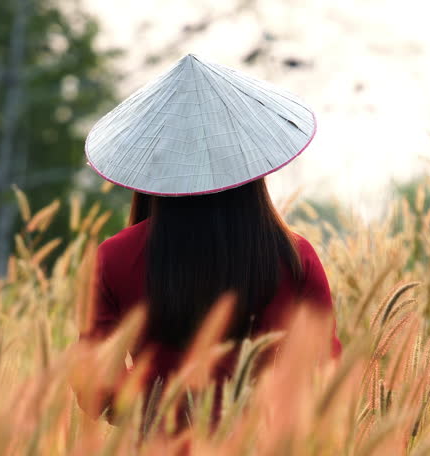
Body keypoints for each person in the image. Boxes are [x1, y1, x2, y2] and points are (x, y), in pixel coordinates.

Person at [79, 53, 341, 426]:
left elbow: (94, 383)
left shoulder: (115, 257)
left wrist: (156, 414)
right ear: (249, 161)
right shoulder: (294, 256)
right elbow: (323, 371)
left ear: (153, 164)